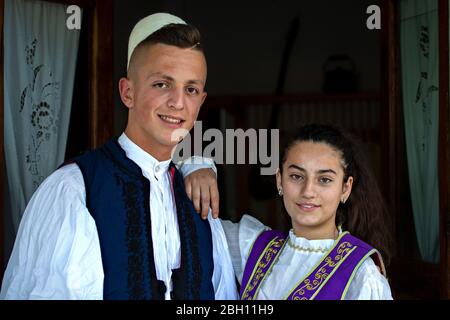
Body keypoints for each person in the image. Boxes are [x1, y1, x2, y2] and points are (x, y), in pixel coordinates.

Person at [0, 13, 237, 300]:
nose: (178, 102)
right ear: (128, 92)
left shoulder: (199, 199)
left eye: (191, 89)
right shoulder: (75, 190)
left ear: (201, 102)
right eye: (162, 84)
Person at [188, 124, 394, 300]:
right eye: (296, 176)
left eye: (325, 179)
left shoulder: (361, 275)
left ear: (345, 188)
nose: (308, 191)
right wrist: (197, 167)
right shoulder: (253, 247)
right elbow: (189, 221)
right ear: (279, 180)